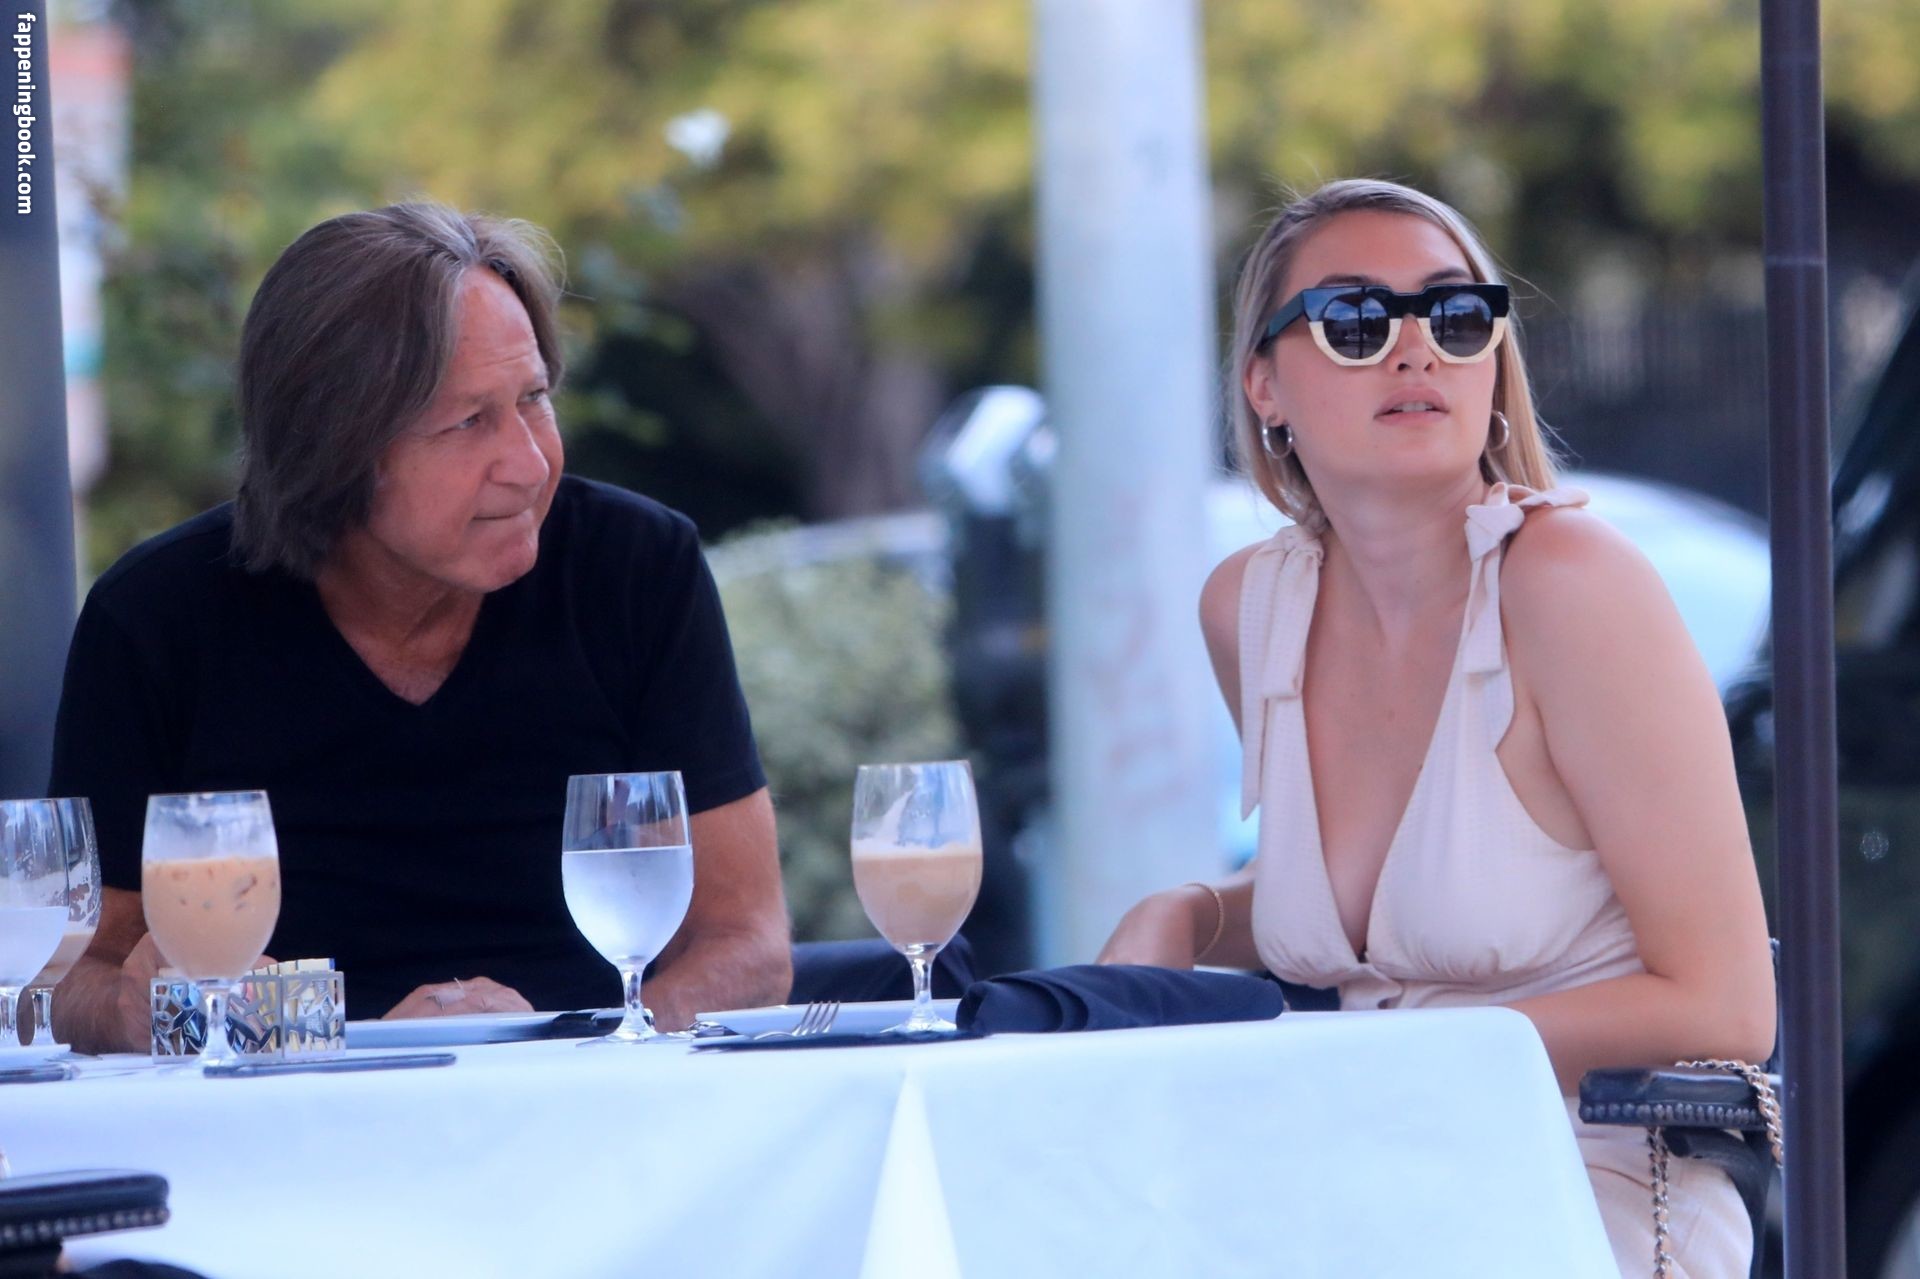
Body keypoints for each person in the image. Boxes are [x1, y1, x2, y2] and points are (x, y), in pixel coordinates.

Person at [1096, 179, 1774, 1277]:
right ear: (1265, 383)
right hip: (1349, 1172)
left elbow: (1727, 1003)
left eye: (1456, 316)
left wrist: (1383, 1064)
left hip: (1578, 1181)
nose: (1415, 348)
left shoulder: (1570, 585)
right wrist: (1187, 913)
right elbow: (1365, 901)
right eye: (1356, 320)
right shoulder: (1250, 606)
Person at [49, 202, 791, 1052]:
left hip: (589, 1103)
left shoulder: (636, 570)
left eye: (534, 399)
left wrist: (571, 1056)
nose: (530, 463)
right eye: (470, 421)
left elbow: (747, 944)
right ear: (335, 449)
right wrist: (185, 1015)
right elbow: (75, 976)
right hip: (284, 1111)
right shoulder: (159, 617)